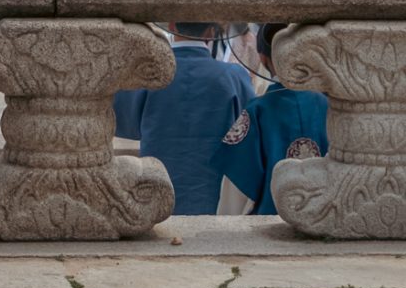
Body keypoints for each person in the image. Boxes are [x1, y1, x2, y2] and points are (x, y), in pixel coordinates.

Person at [113, 22, 255, 217]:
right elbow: (250, 130)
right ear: (211, 31)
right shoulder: (233, 76)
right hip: (214, 194)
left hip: (157, 190)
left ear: (172, 26)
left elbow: (124, 123)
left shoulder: (149, 75)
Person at [215, 24, 328, 216]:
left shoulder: (255, 111)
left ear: (262, 56)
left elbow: (237, 185)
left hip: (269, 226)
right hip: (325, 219)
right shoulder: (329, 107)